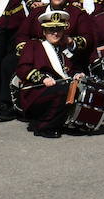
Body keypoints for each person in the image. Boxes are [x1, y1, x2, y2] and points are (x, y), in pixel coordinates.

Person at [14, 9, 89, 138]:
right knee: (63, 91)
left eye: (59, 29)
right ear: (44, 31)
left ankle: (68, 122)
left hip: (57, 89)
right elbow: (22, 69)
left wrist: (77, 74)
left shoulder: (64, 48)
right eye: (51, 30)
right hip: (36, 92)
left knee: (79, 87)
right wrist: (42, 78)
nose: (55, 33)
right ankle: (43, 127)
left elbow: (70, 69)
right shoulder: (33, 45)